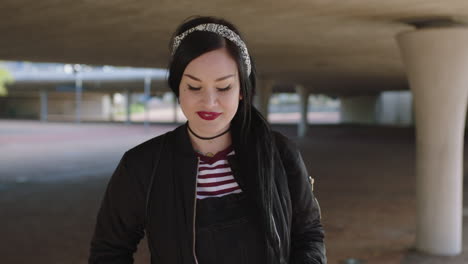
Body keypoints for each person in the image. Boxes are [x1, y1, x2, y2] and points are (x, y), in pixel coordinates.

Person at [88, 15, 326, 264]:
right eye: (194, 87)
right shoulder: (141, 166)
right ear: (177, 87)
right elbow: (109, 251)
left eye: (223, 88)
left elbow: (308, 234)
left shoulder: (280, 153)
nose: (209, 102)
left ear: (243, 90)